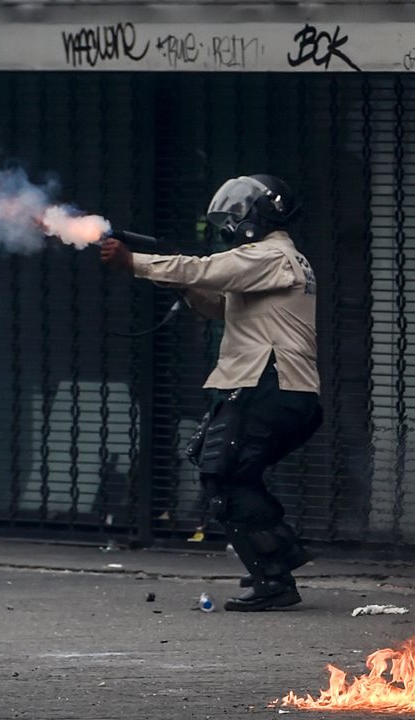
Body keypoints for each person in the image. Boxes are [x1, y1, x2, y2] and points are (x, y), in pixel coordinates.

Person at [100, 174, 322, 611]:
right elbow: (219, 305)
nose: (232, 225)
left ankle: (274, 577)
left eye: (239, 214)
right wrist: (181, 283)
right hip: (270, 386)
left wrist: (136, 263)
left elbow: (204, 269)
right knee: (230, 474)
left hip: (266, 383)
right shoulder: (271, 262)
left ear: (264, 214)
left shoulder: (270, 256)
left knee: (225, 478)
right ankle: (278, 554)